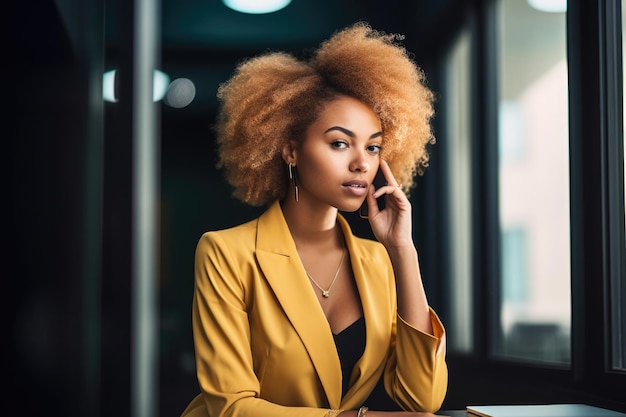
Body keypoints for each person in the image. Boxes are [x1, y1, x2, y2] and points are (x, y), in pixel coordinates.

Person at [181, 22, 448, 417]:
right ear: (290, 150)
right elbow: (231, 407)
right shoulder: (225, 253)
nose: (362, 163)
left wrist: (402, 251)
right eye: (340, 143)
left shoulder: (378, 262)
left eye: (373, 147)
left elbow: (422, 399)